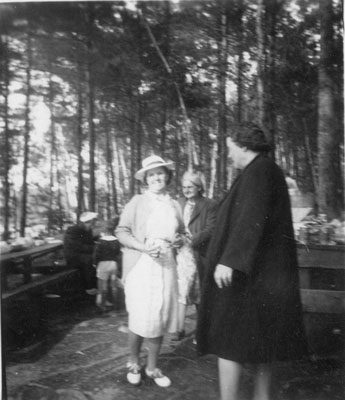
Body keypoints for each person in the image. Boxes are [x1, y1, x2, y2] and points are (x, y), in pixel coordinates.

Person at [196, 125, 307, 400]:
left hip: (248, 276)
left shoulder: (260, 171)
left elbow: (250, 218)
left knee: (228, 341)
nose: (229, 154)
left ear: (244, 145)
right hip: (259, 275)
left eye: (230, 147)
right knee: (261, 342)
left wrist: (230, 260)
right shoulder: (261, 170)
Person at [116, 155, 184, 388]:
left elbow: (183, 234)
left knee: (161, 314)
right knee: (141, 314)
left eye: (161, 172)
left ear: (168, 176)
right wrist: (143, 247)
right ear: (145, 178)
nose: (157, 177)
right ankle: (133, 361)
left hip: (167, 263)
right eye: (152, 174)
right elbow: (122, 231)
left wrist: (178, 241)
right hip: (142, 264)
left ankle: (152, 366)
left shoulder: (174, 204)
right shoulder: (137, 201)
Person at [173, 170, 217, 341]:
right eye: (184, 187)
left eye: (190, 186)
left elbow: (211, 229)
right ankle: (179, 329)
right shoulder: (179, 203)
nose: (186, 189)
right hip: (181, 254)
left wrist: (191, 240)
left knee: (199, 292)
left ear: (199, 187)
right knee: (181, 290)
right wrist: (175, 238)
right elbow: (174, 225)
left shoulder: (210, 204)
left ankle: (202, 331)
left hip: (199, 254)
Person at [64, 211, 98, 296]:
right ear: (84, 223)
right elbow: (77, 246)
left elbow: (89, 243)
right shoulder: (72, 231)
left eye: (92, 222)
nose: (91, 225)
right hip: (73, 256)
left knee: (98, 257)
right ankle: (89, 287)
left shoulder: (88, 230)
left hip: (82, 254)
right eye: (90, 223)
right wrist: (94, 248)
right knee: (89, 260)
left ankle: (97, 284)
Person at [94, 217, 121, 312]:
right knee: (114, 286)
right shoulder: (116, 241)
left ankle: (102, 306)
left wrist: (94, 264)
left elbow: (96, 254)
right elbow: (118, 253)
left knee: (102, 286)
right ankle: (116, 305)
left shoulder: (101, 241)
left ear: (104, 230)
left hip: (103, 265)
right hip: (113, 264)